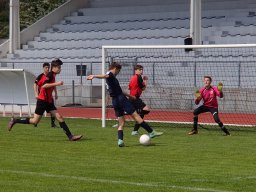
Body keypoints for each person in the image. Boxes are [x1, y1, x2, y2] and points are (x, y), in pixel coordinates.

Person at [87, 62, 163, 147]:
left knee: (121, 122)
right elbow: (105, 76)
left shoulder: (112, 80)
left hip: (115, 101)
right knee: (136, 115)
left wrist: (130, 96)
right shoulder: (110, 74)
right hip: (121, 99)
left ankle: (120, 141)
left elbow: (120, 90)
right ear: (115, 68)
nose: (118, 73)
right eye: (118, 71)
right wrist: (94, 76)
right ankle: (151, 132)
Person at [8, 59, 82, 141]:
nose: (60, 69)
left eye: (60, 67)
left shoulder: (53, 75)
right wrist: (57, 83)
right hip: (42, 101)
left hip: (49, 101)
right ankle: (15, 120)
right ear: (53, 68)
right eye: (59, 67)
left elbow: (49, 86)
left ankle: (70, 136)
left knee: (59, 117)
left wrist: (55, 91)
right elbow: (44, 85)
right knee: (34, 121)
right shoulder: (50, 75)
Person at [128, 64, 150, 136]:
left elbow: (129, 87)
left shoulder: (133, 77)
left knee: (142, 113)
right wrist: (146, 81)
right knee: (146, 110)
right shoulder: (138, 77)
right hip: (135, 98)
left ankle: (135, 131)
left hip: (133, 98)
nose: (141, 71)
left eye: (142, 69)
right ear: (136, 70)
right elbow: (143, 88)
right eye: (140, 70)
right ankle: (129, 113)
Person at [33, 62, 57, 128]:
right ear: (43, 68)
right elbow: (35, 84)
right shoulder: (40, 76)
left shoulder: (50, 75)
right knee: (38, 112)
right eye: (46, 67)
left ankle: (53, 124)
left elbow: (53, 85)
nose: (47, 69)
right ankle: (35, 122)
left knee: (53, 111)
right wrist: (36, 93)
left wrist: (56, 93)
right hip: (42, 98)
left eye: (48, 67)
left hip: (49, 97)